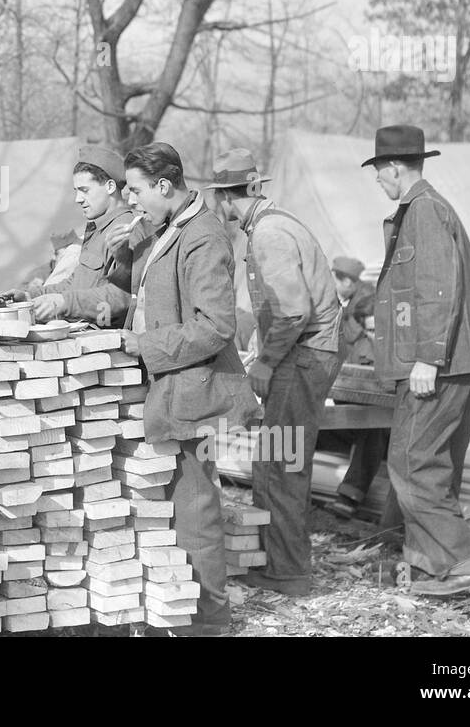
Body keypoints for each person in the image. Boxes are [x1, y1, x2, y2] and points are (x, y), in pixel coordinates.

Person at [119, 142, 257, 636]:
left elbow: (216, 326)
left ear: (163, 185)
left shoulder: (202, 236)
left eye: (135, 190)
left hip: (195, 392)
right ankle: (184, 612)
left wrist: (145, 343)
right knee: (183, 505)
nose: (130, 199)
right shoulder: (168, 228)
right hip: (176, 384)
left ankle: (208, 622)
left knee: (195, 510)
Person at [363, 124, 470, 596]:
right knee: (429, 464)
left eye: (379, 172)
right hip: (450, 363)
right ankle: (429, 567)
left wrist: (428, 359)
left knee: (414, 464)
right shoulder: (424, 209)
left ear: (394, 168)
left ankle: (462, 568)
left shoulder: (423, 210)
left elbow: (438, 289)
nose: (377, 181)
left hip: (440, 365)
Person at [209, 148, 342, 598]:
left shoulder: (268, 234)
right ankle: (283, 565)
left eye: (224, 197)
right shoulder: (274, 224)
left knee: (281, 464)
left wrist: (265, 362)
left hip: (301, 356)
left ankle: (288, 572)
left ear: (232, 196)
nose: (223, 208)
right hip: (305, 354)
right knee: (280, 462)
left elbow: (292, 312)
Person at [16, 145, 136, 326]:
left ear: (110, 186)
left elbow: (122, 295)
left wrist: (64, 303)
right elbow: (75, 284)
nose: (78, 199)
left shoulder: (125, 230)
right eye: (76, 191)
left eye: (85, 190)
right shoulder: (99, 229)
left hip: (107, 341)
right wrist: (30, 295)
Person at [326, 255, 389, 520]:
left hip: (374, 388)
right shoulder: (347, 303)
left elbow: (368, 345)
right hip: (348, 386)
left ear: (348, 281)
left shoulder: (366, 302)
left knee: (374, 427)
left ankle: (350, 496)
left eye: (339, 280)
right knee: (305, 425)